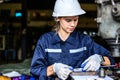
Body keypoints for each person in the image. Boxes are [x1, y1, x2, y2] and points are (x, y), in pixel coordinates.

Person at [30, 0, 115, 80]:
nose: (73, 24)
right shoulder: (45, 41)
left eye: (76, 19)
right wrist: (54, 69)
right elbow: (35, 70)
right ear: (57, 18)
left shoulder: (84, 41)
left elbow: (110, 61)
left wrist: (99, 59)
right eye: (68, 20)